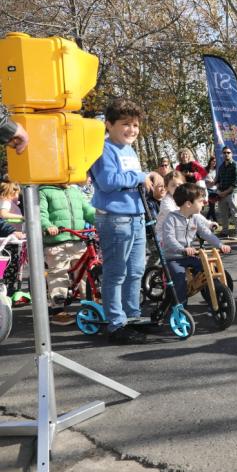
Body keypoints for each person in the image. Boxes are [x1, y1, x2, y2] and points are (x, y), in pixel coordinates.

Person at [89, 99, 159, 344]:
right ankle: (116, 324)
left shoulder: (130, 150)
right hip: (115, 219)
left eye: (135, 125)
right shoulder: (103, 149)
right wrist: (142, 176)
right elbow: (108, 181)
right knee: (116, 272)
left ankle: (133, 317)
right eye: (125, 124)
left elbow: (132, 182)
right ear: (109, 124)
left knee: (136, 271)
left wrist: (151, 187)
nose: (132, 130)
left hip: (136, 217)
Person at [161, 184, 231, 309]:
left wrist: (220, 245)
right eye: (200, 201)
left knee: (208, 270)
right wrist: (182, 249)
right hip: (173, 257)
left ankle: (213, 298)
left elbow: (206, 234)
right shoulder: (171, 218)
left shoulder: (195, 218)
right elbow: (169, 238)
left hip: (190, 255)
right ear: (188, 204)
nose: (203, 203)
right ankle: (180, 308)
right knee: (179, 278)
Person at [40, 183, 96, 325]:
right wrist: (48, 226)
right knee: (58, 273)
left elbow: (87, 210)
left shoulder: (74, 190)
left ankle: (90, 305)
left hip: (77, 239)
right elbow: (41, 213)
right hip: (56, 240)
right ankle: (58, 310)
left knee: (85, 272)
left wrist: (99, 220)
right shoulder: (45, 191)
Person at [216, 146, 237, 239]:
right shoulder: (221, 166)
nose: (226, 154)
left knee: (234, 213)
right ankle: (224, 232)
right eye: (224, 152)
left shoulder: (235, 165)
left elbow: (236, 182)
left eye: (228, 152)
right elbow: (218, 180)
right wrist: (218, 191)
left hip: (232, 193)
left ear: (231, 154)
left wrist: (225, 192)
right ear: (222, 154)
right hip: (221, 194)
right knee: (223, 214)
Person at [155, 170, 186, 242]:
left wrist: (207, 223)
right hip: (164, 236)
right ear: (167, 188)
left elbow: (195, 212)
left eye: (179, 184)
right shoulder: (166, 201)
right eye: (173, 185)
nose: (177, 187)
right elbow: (172, 213)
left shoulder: (185, 199)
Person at [204, 156, 218, 221]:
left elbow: (218, 179)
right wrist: (208, 181)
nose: (214, 162)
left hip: (215, 189)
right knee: (211, 206)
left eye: (215, 161)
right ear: (210, 161)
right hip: (207, 189)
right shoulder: (205, 169)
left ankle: (206, 219)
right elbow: (202, 178)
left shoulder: (217, 170)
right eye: (213, 161)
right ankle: (215, 220)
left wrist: (215, 182)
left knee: (212, 206)